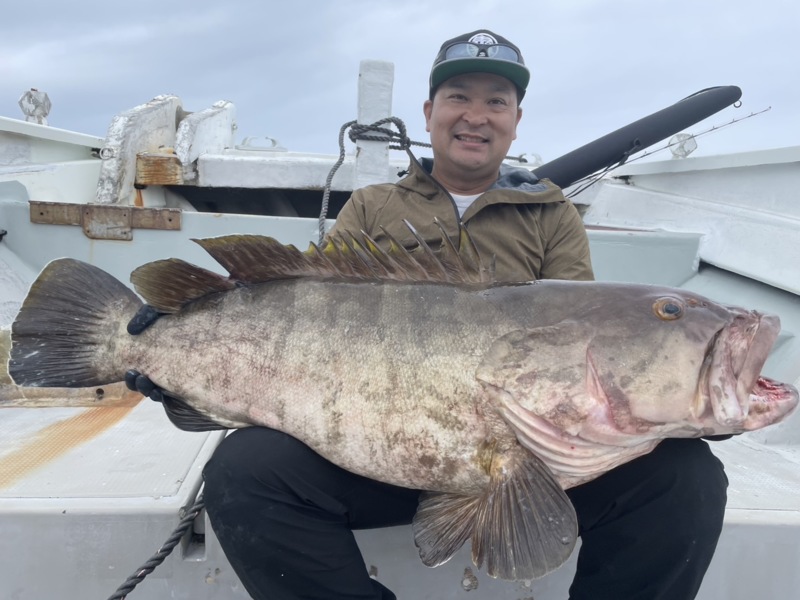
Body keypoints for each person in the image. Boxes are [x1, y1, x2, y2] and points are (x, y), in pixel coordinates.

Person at [128, 29, 728, 600]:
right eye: (458, 97)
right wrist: (177, 348)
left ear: (516, 121)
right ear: (429, 111)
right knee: (245, 471)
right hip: (370, 448)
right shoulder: (372, 206)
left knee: (685, 479)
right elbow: (308, 308)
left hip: (526, 457)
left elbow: (586, 345)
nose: (476, 115)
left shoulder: (551, 218)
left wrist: (699, 395)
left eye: (497, 101)